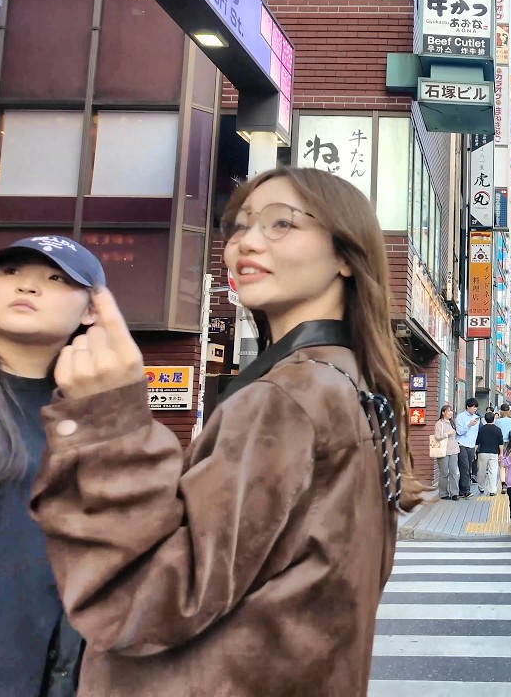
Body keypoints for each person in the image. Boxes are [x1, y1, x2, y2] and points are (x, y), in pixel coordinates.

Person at [29, 167, 427, 696]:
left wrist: (106, 423)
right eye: (239, 226)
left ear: (344, 256)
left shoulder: (284, 398)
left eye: (281, 224)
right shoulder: (349, 384)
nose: (246, 243)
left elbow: (150, 600)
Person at [0, 236, 104, 697]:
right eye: (11, 272)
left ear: (91, 312)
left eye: (56, 279)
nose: (28, 287)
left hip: (52, 673)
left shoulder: (102, 418)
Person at [431, 404, 460, 500]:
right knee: (444, 473)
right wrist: (447, 433)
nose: (451, 413)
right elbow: (437, 436)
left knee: (454, 472)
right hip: (443, 451)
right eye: (449, 411)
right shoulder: (439, 423)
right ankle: (443, 493)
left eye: (451, 411)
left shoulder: (452, 423)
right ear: (443, 412)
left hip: (454, 450)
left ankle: (455, 493)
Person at [455, 398, 481, 499]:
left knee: (468, 468)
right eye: (473, 407)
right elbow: (459, 431)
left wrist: (475, 447)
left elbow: (475, 434)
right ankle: (466, 490)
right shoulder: (460, 417)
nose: (474, 409)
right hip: (461, 444)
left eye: (476, 407)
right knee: (465, 467)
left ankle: (462, 489)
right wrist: (469, 425)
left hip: (471, 445)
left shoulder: (477, 418)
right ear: (467, 407)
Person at [476, 411, 505, 497]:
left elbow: (478, 442)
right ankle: (492, 490)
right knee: (493, 471)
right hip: (494, 453)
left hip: (482, 453)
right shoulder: (498, 429)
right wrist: (501, 453)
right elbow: (501, 443)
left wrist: (474, 452)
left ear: (485, 419)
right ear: (494, 419)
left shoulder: (482, 429)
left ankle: (481, 487)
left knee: (481, 471)